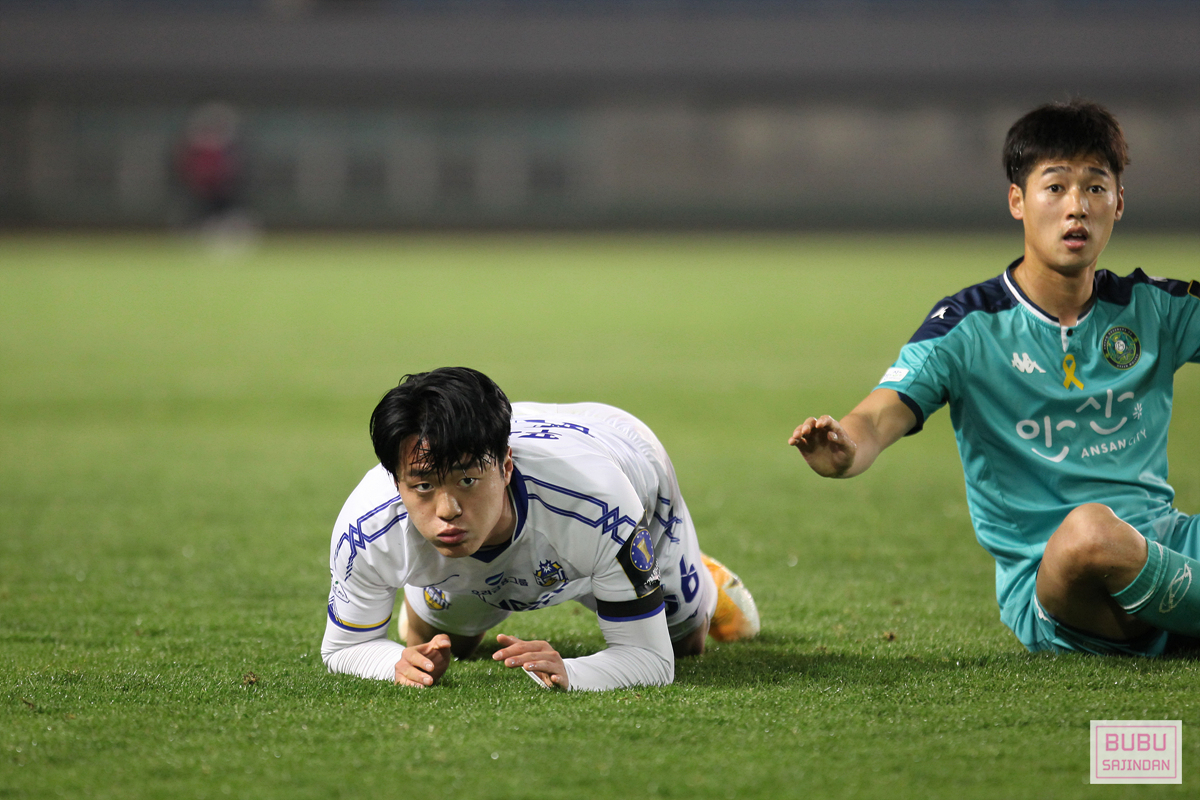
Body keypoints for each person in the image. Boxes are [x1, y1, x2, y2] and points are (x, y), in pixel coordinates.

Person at [790, 100, 1200, 656]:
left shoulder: (1155, 307)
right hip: (1059, 587)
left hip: (1170, 545)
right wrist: (844, 449)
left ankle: (1180, 616)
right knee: (1090, 533)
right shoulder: (968, 326)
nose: (1077, 207)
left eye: (1095, 187)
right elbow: (879, 415)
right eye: (1055, 187)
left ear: (1119, 202)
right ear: (1017, 201)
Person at [322, 367, 759, 691]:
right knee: (433, 645)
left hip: (622, 456)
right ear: (396, 481)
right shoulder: (366, 526)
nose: (447, 510)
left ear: (505, 466)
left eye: (467, 480)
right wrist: (396, 664)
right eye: (422, 487)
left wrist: (574, 671)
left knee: (685, 645)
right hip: (557, 527)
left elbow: (650, 659)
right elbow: (344, 648)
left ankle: (693, 578)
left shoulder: (599, 504)